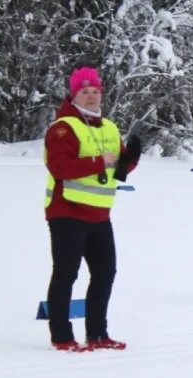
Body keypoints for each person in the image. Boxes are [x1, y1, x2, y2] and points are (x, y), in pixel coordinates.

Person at [43, 66, 141, 352]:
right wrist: (100, 161)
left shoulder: (109, 127)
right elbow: (59, 167)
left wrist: (132, 156)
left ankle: (97, 333)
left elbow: (119, 167)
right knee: (66, 273)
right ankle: (61, 336)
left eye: (95, 91)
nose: (91, 97)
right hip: (67, 212)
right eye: (84, 92)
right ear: (74, 95)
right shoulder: (63, 127)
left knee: (105, 272)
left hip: (99, 214)